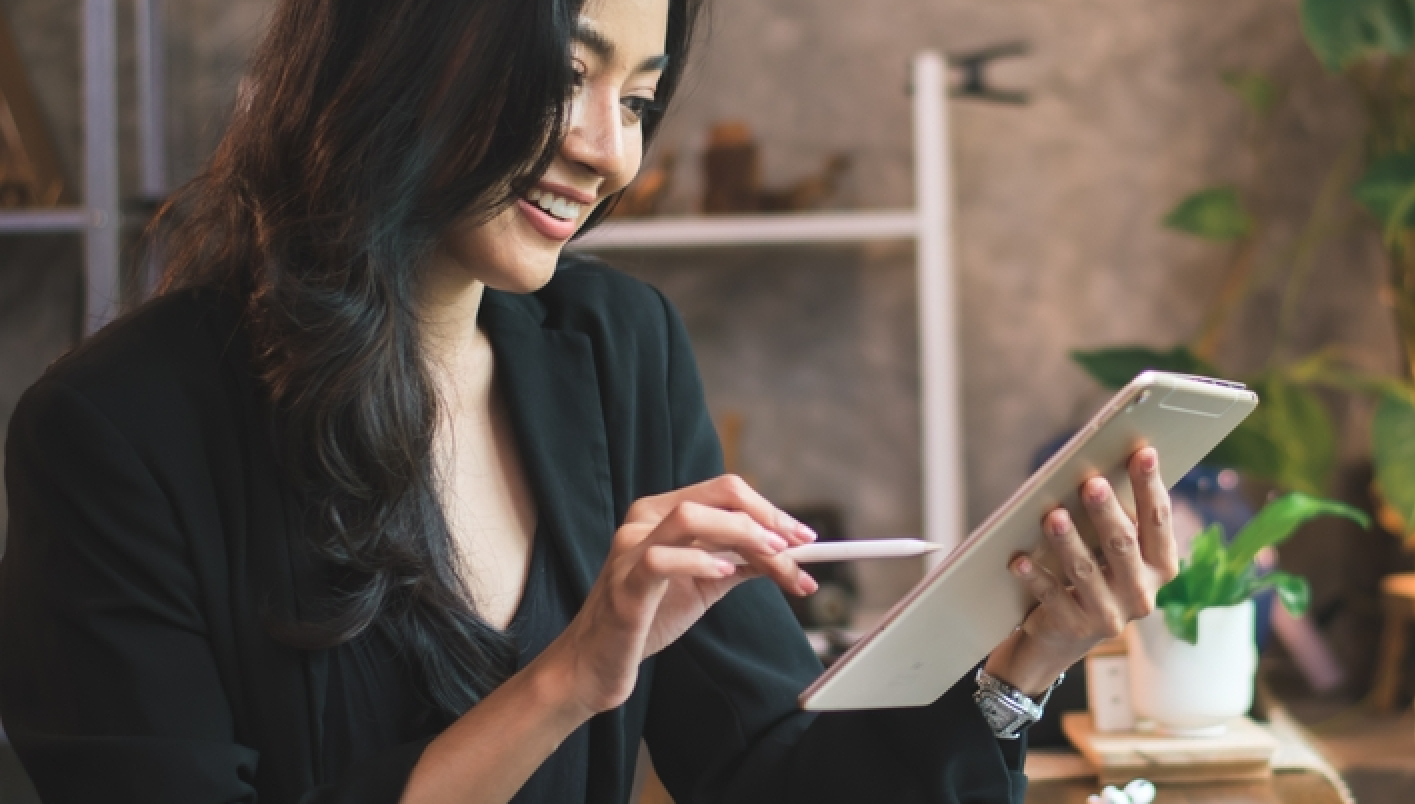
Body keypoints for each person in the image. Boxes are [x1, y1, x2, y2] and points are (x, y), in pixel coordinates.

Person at [0, 0, 1181, 801]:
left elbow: (765, 768)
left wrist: (1025, 659)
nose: (609, 151)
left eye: (638, 98)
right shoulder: (112, 435)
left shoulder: (619, 348)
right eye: (569, 76)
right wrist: (570, 676)